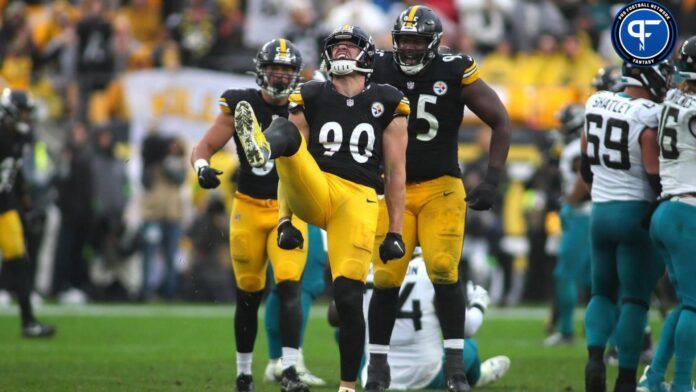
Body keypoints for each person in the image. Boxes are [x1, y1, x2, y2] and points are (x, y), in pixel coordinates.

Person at [233, 25, 410, 392]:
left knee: (348, 296)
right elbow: (292, 168)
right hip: (317, 186)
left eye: (349, 47)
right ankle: (260, 149)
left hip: (359, 198)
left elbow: (395, 173)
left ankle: (348, 386)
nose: (342, 52)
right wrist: (286, 219)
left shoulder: (389, 99)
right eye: (337, 47)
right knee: (287, 140)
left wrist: (395, 229)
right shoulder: (311, 93)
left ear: (365, 55)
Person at [365, 6, 511, 392]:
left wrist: (492, 180)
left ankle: (455, 366)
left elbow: (500, 119)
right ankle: (377, 367)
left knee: (444, 269)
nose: (410, 49)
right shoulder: (376, 66)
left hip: (441, 185)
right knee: (386, 276)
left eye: (417, 41)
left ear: (433, 43)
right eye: (405, 41)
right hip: (390, 188)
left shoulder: (455, 68)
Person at [190, 38, 309, 392]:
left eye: (286, 69)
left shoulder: (305, 106)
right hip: (247, 206)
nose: (278, 74)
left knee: (289, 286)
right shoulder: (241, 102)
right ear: (261, 69)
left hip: (289, 209)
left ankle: (289, 370)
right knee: (248, 294)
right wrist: (201, 167)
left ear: (296, 75)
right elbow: (205, 146)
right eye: (274, 67)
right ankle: (244, 374)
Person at [581, 62, 670, 392]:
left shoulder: (596, 102)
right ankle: (627, 378)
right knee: (634, 299)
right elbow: (654, 175)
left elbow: (586, 168)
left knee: (601, 293)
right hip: (635, 212)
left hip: (600, 212)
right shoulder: (649, 114)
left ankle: (594, 359)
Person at [355, 249, 510, 390]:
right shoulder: (431, 271)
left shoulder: (371, 267)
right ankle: (478, 376)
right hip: (426, 375)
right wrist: (478, 303)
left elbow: (337, 316)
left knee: (346, 332)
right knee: (469, 346)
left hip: (372, 373)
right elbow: (467, 328)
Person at [637, 36, 696, 392]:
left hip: (665, 211)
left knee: (687, 303)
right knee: (694, 305)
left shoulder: (670, 99)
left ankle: (656, 377)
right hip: (686, 212)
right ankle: (683, 383)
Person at [0, 88, 55, 338]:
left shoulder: (22, 137)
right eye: (23, 112)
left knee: (19, 260)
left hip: (4, 204)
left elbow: (16, 169)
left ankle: (28, 322)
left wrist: (24, 195)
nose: (26, 117)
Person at [544, 104, 591, 346]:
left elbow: (585, 176)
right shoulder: (581, 144)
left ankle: (566, 330)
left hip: (583, 214)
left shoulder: (576, 149)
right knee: (596, 278)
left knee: (565, 274)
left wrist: (570, 204)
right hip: (590, 213)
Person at [264, 224, 327, 387]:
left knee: (281, 288)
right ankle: (293, 360)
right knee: (305, 284)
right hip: (304, 217)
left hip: (276, 216)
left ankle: (275, 360)